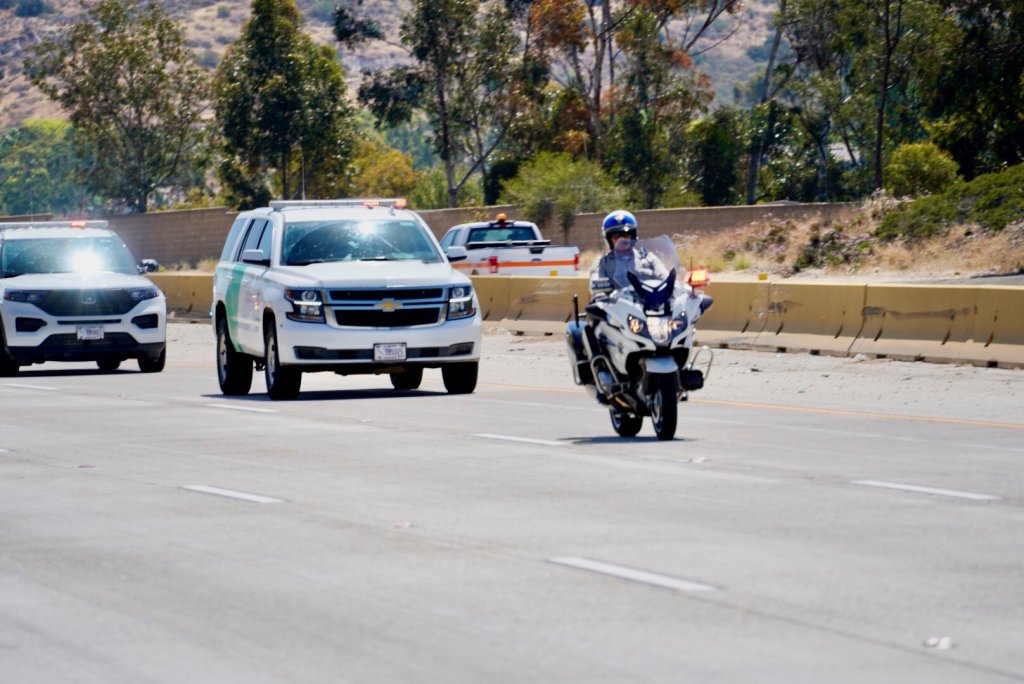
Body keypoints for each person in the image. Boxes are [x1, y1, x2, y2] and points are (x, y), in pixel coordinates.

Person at [589, 209, 669, 298]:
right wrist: (600, 295)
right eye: (616, 237)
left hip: (649, 306)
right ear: (609, 240)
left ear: (633, 236)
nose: (622, 239)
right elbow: (597, 285)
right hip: (618, 309)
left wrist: (675, 287)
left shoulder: (648, 258)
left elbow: (666, 278)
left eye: (626, 235)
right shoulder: (602, 263)